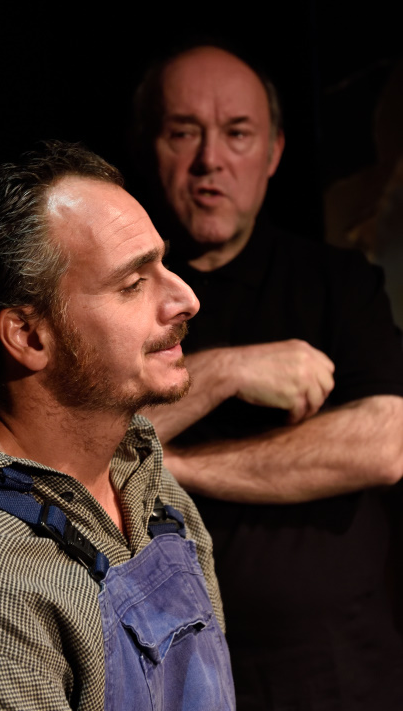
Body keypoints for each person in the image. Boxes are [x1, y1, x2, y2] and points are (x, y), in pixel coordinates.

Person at [0, 141, 236, 711]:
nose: (185, 299)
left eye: (163, 265)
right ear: (28, 335)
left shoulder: (151, 491)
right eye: (133, 284)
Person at [132, 44, 403, 710]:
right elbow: (76, 448)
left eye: (237, 133)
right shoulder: (112, 302)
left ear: (274, 152)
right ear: (149, 146)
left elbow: (384, 443)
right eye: (183, 132)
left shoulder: (338, 283)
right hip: (161, 674)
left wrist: (171, 465)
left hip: (334, 669)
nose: (210, 160)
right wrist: (227, 370)